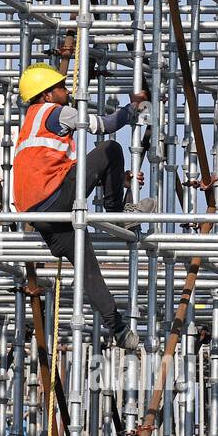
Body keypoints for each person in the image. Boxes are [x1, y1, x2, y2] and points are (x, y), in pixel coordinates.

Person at [12, 63, 154, 352]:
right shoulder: (55, 112)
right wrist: (134, 107)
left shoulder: (30, 121)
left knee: (88, 268)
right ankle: (119, 217)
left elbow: (64, 169)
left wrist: (119, 178)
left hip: (39, 214)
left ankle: (118, 328)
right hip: (54, 200)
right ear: (47, 95)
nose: (67, 91)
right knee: (110, 149)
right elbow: (105, 126)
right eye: (61, 87)